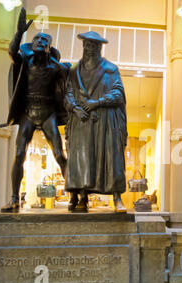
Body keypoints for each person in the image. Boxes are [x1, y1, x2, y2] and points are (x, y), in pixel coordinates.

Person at [1, 8, 70, 212]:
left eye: (44, 40)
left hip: (48, 111)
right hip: (28, 111)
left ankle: (73, 196)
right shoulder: (26, 62)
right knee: (19, 153)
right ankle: (15, 198)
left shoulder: (57, 68)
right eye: (36, 39)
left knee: (59, 154)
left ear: (49, 47)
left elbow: (71, 86)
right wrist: (19, 32)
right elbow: (13, 52)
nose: (39, 41)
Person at [65, 31, 127, 213]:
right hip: (82, 121)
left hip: (105, 121)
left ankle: (117, 197)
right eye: (86, 44)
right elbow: (68, 93)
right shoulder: (74, 70)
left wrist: (97, 102)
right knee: (82, 159)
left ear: (100, 47)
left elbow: (118, 94)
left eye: (93, 45)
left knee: (110, 157)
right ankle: (83, 197)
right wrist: (75, 109)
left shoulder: (110, 69)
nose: (89, 48)